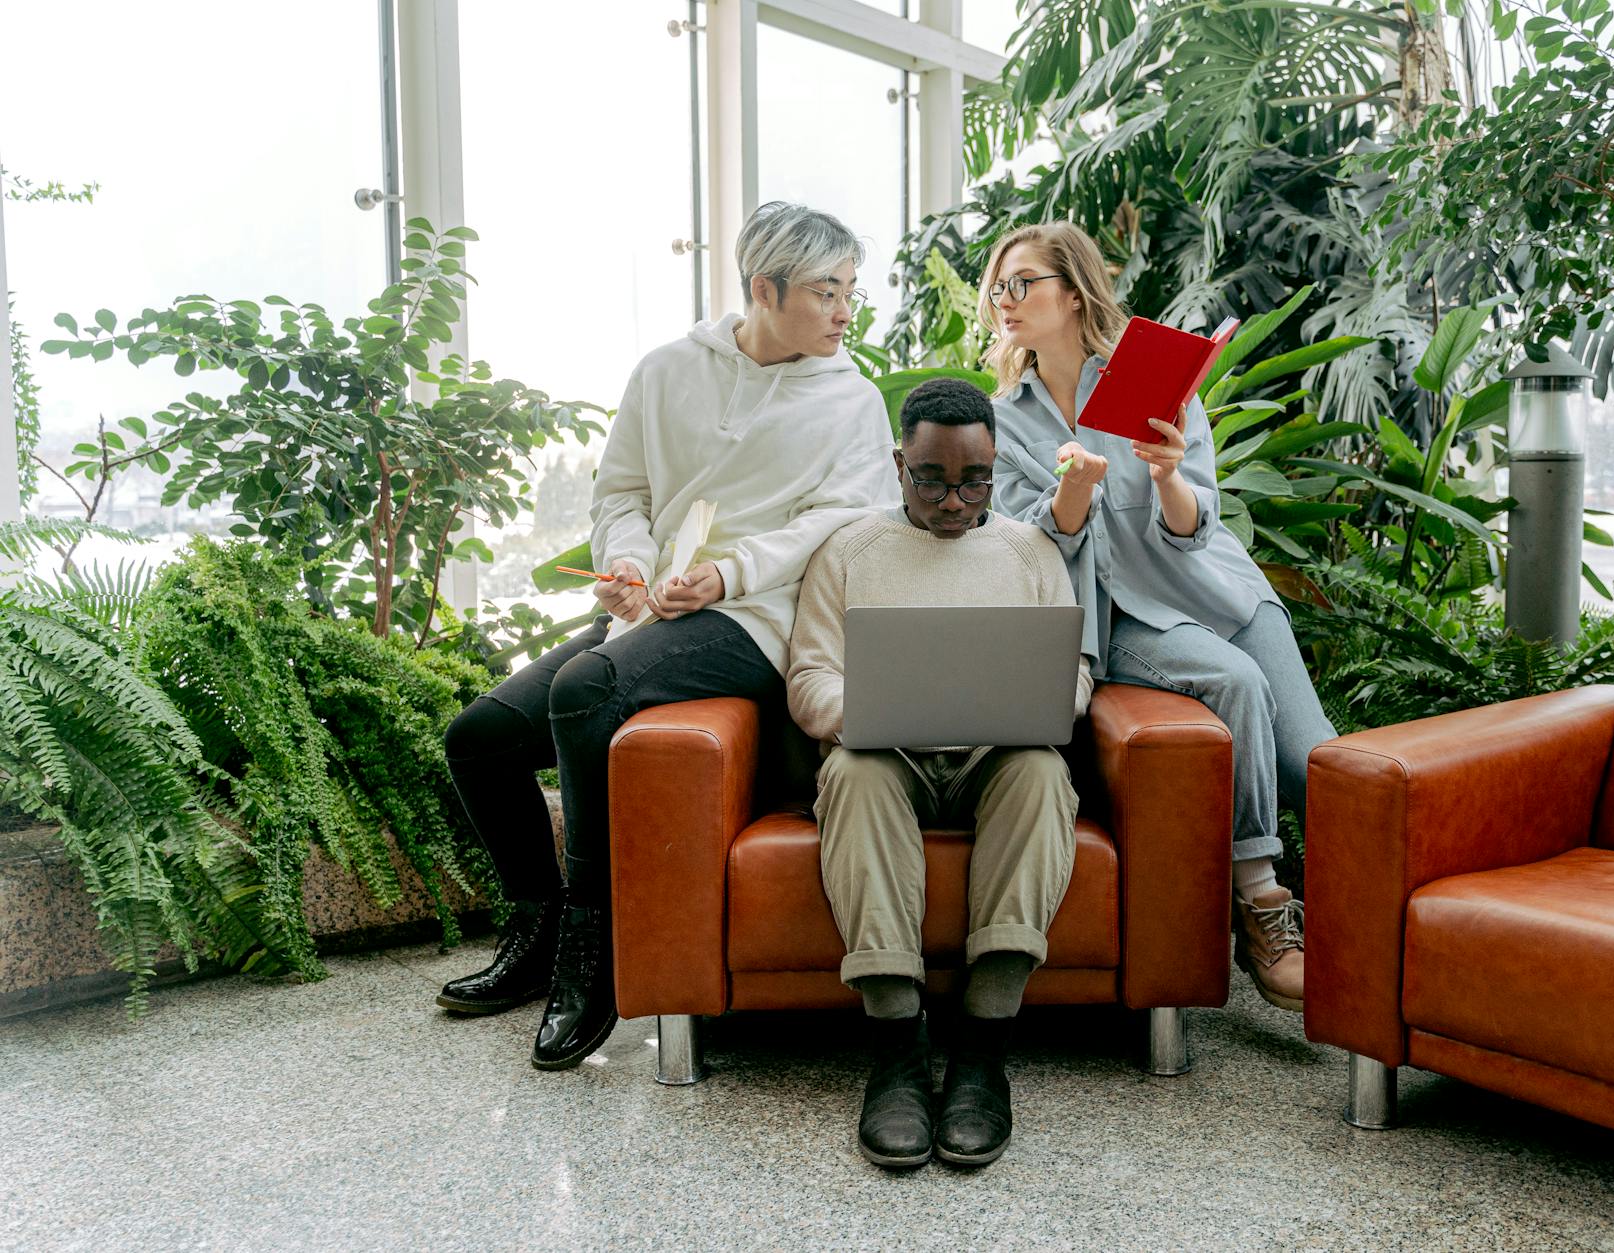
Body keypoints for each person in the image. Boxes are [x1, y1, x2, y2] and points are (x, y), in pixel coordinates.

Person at [436, 202, 898, 1069]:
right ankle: (535, 935)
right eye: (827, 291)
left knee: (587, 690)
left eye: (850, 291)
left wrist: (730, 574)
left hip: (761, 620)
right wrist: (631, 568)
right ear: (764, 289)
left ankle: (595, 944)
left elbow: (841, 521)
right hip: (654, 612)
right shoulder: (666, 371)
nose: (846, 311)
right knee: (481, 738)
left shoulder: (853, 400)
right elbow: (623, 494)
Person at [982, 221, 1337, 1014]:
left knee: (1316, 763)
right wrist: (1072, 495)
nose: (1005, 302)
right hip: (1125, 620)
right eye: (998, 288)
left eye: (1023, 284)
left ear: (1072, 293)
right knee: (1236, 684)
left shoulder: (1152, 380)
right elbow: (1030, 550)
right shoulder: (1003, 424)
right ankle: (1262, 902)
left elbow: (1194, 525)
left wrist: (1170, 473)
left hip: (1220, 593)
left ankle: (1381, 932)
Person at [787, 378, 1092, 1169]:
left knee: (1039, 770)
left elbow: (1076, 676)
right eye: (932, 480)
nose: (955, 501)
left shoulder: (1029, 551)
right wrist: (867, 709)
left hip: (995, 759)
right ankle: (896, 1045)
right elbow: (810, 676)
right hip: (886, 757)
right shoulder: (849, 550)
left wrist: (1035, 700)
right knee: (854, 772)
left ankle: (982, 1047)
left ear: (995, 468)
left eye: (974, 481)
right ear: (899, 465)